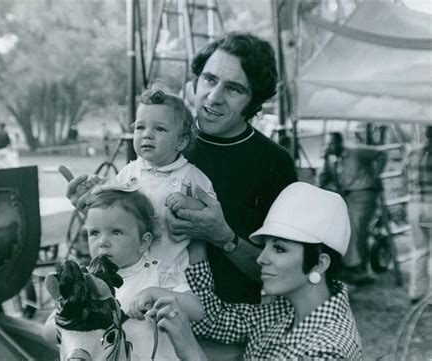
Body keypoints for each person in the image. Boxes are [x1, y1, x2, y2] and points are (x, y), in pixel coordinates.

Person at [67, 32, 297, 304]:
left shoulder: (274, 163)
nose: (214, 97)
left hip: (226, 321)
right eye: (210, 80)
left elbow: (285, 273)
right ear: (194, 83)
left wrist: (224, 237)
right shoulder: (162, 140)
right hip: (142, 304)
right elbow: (128, 227)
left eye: (234, 89)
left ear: (254, 102)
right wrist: (97, 204)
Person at [140, 182, 362, 360]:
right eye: (265, 245)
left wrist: (192, 353)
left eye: (279, 249)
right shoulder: (286, 311)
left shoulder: (328, 351)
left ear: (320, 263)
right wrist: (198, 242)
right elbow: (216, 320)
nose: (262, 258)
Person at [45, 186, 204, 360]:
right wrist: (68, 316)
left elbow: (197, 311)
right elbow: (49, 332)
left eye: (116, 232)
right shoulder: (85, 283)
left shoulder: (159, 272)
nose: (103, 242)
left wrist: (156, 294)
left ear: (143, 242)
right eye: (94, 233)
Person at [99, 85, 215, 272]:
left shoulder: (190, 176)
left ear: (181, 141)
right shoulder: (129, 173)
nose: (147, 134)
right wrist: (99, 189)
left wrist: (189, 202)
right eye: (140, 127)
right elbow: (110, 208)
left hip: (174, 272)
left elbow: (211, 210)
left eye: (159, 129)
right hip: (133, 268)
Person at [319, 131, 387, 284]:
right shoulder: (331, 159)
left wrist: (377, 175)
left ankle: (359, 268)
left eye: (332, 143)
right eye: (328, 143)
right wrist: (325, 161)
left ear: (339, 142)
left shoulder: (355, 151)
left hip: (363, 193)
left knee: (357, 229)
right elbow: (322, 181)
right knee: (341, 229)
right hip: (346, 196)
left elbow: (382, 153)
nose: (330, 146)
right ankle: (348, 265)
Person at [405, 125, 432, 302]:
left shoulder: (413, 153)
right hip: (431, 206)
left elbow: (403, 174)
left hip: (414, 206)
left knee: (419, 249)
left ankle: (416, 292)